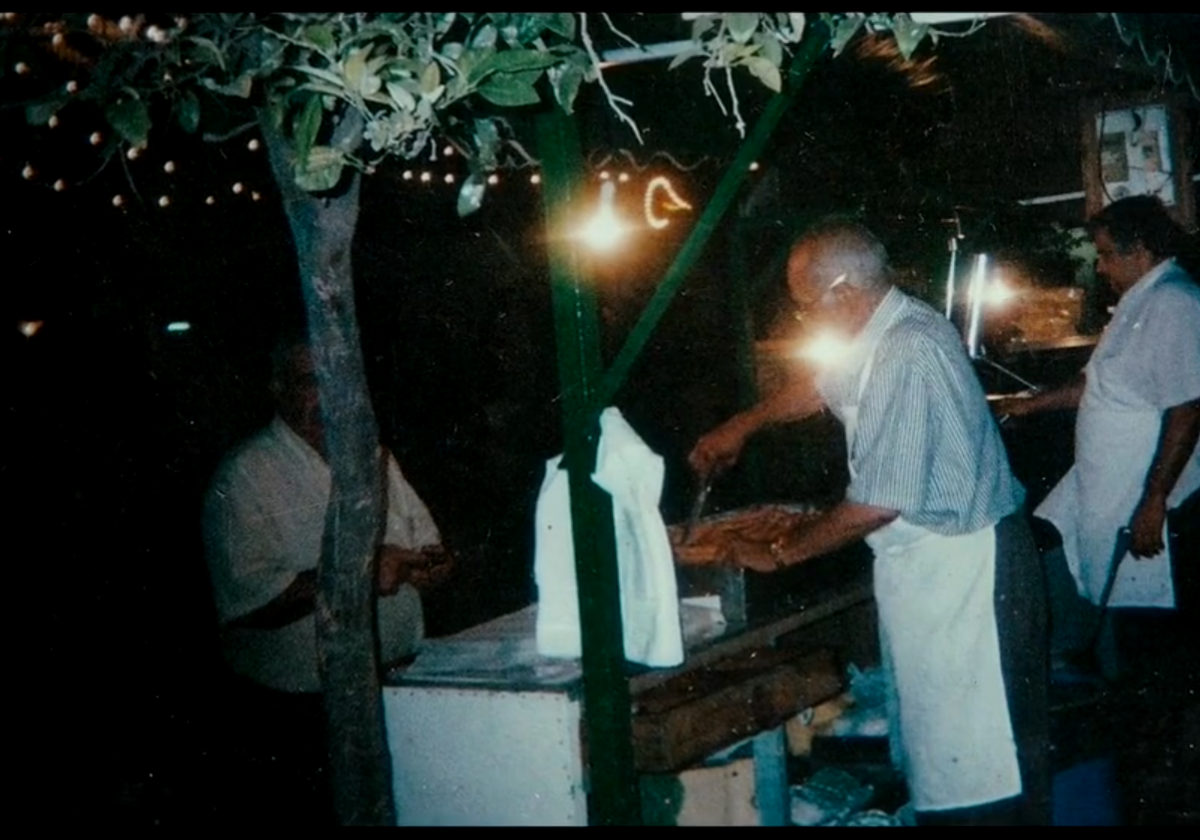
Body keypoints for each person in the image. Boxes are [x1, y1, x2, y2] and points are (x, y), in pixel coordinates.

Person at [685, 219, 1049, 825]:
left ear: (846, 291)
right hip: (935, 575)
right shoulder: (883, 328)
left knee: (985, 777)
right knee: (947, 765)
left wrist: (778, 553)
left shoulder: (908, 348)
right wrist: (743, 425)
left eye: (806, 306)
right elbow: (820, 389)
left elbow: (877, 502)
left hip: (970, 576)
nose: (803, 319)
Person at [202, 336, 452, 822]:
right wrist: (356, 573)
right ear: (279, 390)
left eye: (337, 379)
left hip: (399, 686)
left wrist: (429, 568)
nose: (327, 394)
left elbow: (433, 551)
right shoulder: (244, 476)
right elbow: (247, 605)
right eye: (310, 381)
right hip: (300, 717)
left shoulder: (374, 457)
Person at [995, 196, 1200, 677]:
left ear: (1141, 250)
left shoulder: (1174, 302)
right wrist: (1031, 403)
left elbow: (1188, 407)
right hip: (1112, 494)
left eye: (1107, 254)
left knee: (1155, 647)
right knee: (1121, 623)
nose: (1100, 266)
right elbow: (1099, 383)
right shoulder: (1138, 302)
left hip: (1150, 503)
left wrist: (1155, 500)